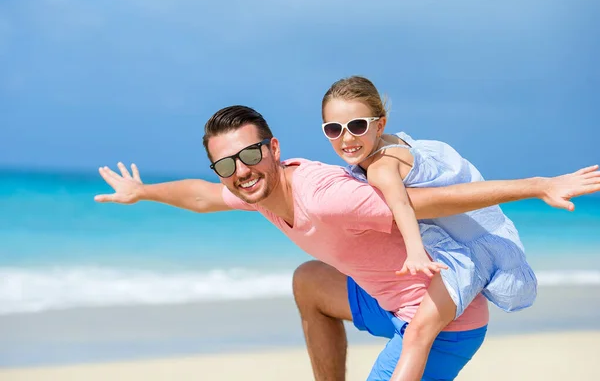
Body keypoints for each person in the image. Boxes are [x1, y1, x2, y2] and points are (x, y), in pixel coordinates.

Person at [94, 105, 600, 381]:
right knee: (310, 283)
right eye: (226, 164)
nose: (240, 172)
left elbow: (429, 201)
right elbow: (203, 196)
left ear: (274, 149)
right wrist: (143, 192)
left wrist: (538, 185)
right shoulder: (256, 191)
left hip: (443, 322)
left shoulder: (329, 198)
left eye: (249, 155)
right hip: (387, 301)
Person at [320, 75, 537, 379]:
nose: (346, 139)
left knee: (418, 334)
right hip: (469, 246)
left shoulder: (381, 167)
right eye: (333, 129)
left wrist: (414, 253)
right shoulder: (398, 143)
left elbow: (402, 205)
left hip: (457, 259)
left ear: (379, 125)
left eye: (357, 126)